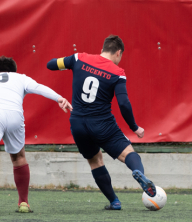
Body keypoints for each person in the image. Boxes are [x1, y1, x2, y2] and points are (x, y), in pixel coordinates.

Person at [46, 35, 156, 210]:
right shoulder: (117, 73)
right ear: (118, 53)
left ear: (103, 49)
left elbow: (50, 64)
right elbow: (123, 103)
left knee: (95, 161)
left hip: (78, 124)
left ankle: (114, 201)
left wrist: (66, 65)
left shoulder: (78, 58)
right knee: (128, 153)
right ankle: (139, 173)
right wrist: (134, 127)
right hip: (102, 124)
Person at [0, 56, 72, 213]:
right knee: (18, 158)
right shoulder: (20, 78)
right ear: (13, 71)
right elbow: (39, 87)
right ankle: (23, 203)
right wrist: (59, 98)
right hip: (14, 115)